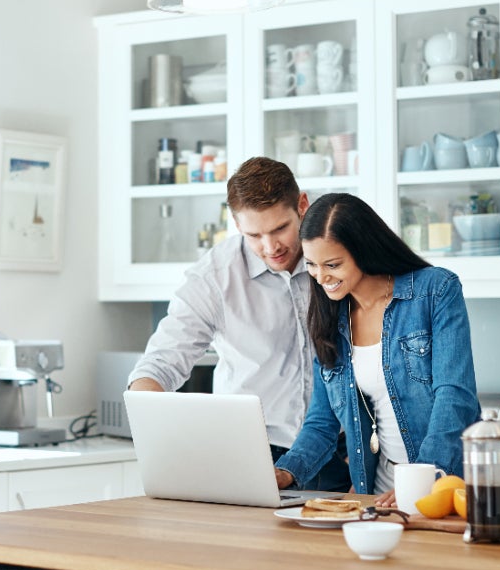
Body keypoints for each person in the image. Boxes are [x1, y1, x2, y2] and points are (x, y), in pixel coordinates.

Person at [127, 157, 350, 492]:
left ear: (302, 205)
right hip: (255, 456)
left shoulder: (336, 260)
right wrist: (157, 436)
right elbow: (160, 364)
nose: (270, 247)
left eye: (279, 229)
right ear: (235, 223)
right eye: (254, 235)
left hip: (343, 451)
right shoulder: (215, 277)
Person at [273, 193, 480, 506]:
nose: (321, 277)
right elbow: (322, 421)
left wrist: (422, 481)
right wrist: (285, 472)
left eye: (333, 264)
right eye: (312, 265)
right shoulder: (329, 320)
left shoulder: (434, 291)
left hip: (442, 488)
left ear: (363, 250)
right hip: (377, 495)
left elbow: (454, 396)